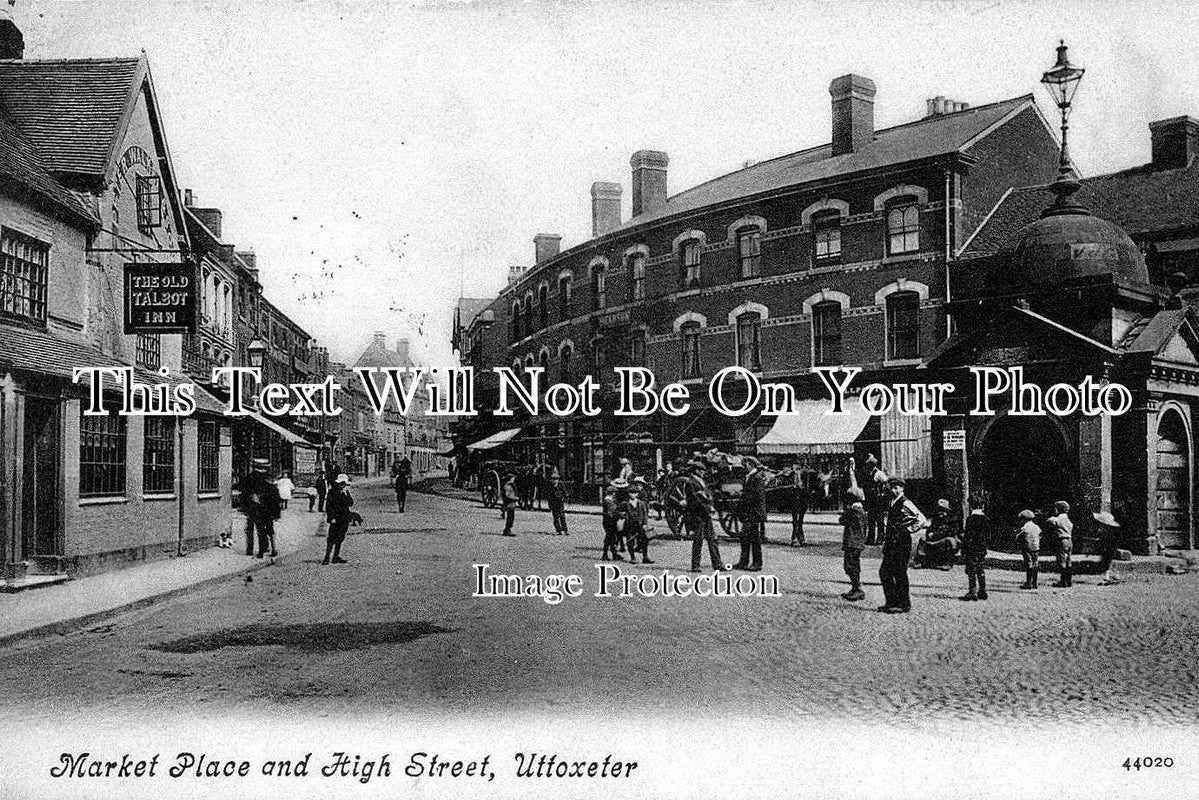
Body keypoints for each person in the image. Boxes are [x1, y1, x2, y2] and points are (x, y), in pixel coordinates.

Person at [879, 476, 927, 613]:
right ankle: (892, 602)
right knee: (885, 572)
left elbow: (922, 519)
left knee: (899, 572)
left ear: (902, 488)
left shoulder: (906, 503)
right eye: (892, 487)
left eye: (896, 488)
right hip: (891, 543)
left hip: (901, 543)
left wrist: (908, 530)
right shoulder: (892, 502)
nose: (893, 490)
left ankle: (904, 604)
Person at [683, 461, 731, 573]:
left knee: (712, 539)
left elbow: (708, 496)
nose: (703, 472)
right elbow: (694, 500)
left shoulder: (701, 481)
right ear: (696, 470)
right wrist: (708, 508)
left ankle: (717, 564)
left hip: (706, 515)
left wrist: (710, 506)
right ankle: (695, 565)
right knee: (698, 540)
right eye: (701, 470)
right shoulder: (690, 483)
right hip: (697, 515)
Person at [239, 458, 281, 559]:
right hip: (265, 509)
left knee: (250, 529)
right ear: (266, 468)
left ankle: (249, 550)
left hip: (252, 508)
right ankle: (263, 551)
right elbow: (275, 498)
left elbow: (243, 494)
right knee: (264, 530)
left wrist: (245, 507)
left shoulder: (248, 478)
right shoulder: (269, 480)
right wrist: (276, 513)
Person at [734, 456, 768, 571]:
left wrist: (742, 497)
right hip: (748, 513)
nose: (745, 466)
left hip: (753, 513)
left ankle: (757, 564)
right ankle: (744, 562)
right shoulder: (750, 477)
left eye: (746, 464)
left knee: (754, 539)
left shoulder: (756, 478)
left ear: (751, 465)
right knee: (745, 538)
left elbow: (756, 497)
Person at [839, 482, 868, 601]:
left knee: (850, 566)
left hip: (851, 543)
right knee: (854, 565)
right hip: (858, 543)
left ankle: (857, 589)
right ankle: (855, 588)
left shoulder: (852, 511)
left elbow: (841, 520)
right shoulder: (861, 511)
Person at [914, 499, 960, 570]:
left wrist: (935, 534)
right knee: (922, 540)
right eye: (939, 510)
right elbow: (930, 529)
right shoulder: (936, 519)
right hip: (935, 540)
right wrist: (929, 533)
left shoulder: (952, 520)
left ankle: (947, 563)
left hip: (945, 540)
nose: (940, 512)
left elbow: (951, 532)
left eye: (943, 510)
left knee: (950, 541)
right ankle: (920, 561)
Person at [960, 501, 991, 601]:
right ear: (982, 507)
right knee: (980, 568)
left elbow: (967, 535)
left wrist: (963, 548)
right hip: (981, 548)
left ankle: (972, 591)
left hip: (971, 548)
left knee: (971, 569)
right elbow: (988, 536)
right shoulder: (986, 519)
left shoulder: (970, 519)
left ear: (971, 507)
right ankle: (982, 591)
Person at [323, 473, 353, 564]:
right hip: (335, 518)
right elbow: (329, 506)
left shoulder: (344, 492)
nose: (343, 486)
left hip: (344, 519)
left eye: (344, 484)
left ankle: (336, 556)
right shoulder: (332, 492)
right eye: (342, 484)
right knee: (331, 538)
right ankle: (327, 557)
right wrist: (331, 518)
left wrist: (347, 493)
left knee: (340, 538)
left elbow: (350, 503)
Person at [862, 454, 889, 546]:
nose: (867, 467)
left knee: (879, 519)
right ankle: (870, 538)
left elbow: (886, 482)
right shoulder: (869, 473)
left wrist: (882, 492)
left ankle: (880, 538)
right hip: (871, 499)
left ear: (872, 465)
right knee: (871, 519)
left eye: (868, 465)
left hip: (878, 499)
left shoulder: (879, 473)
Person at [1047, 500, 1074, 588]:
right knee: (1068, 560)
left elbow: (1051, 521)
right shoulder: (1068, 519)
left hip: (1062, 541)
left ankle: (1063, 582)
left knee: (1061, 561)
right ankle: (1069, 581)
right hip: (1069, 540)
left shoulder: (1059, 518)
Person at [601, 478, 628, 561]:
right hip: (610, 521)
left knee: (610, 538)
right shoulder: (609, 501)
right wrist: (622, 515)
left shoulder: (607, 500)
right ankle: (607, 555)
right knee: (610, 538)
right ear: (612, 493)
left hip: (607, 521)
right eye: (614, 492)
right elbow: (612, 512)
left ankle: (612, 554)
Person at [1093, 510, 1123, 585]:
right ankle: (1112, 576)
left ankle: (1107, 577)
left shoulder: (1107, 530)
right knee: (1107, 561)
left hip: (1109, 547)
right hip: (1108, 547)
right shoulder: (1107, 530)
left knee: (1107, 561)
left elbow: (1107, 540)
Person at [1015, 509, 1041, 589]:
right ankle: (1035, 582)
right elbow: (1040, 534)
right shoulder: (1036, 527)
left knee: (1029, 564)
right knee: (1035, 562)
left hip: (1027, 548)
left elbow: (1019, 537)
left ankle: (1028, 583)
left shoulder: (1025, 527)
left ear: (1024, 519)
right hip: (1036, 547)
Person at [546, 466, 569, 535]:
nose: (555, 481)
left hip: (560, 502)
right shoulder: (549, 486)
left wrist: (566, 496)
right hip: (553, 503)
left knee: (562, 516)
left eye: (556, 479)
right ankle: (558, 530)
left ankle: (565, 530)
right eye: (553, 479)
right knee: (555, 517)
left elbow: (564, 492)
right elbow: (548, 495)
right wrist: (549, 504)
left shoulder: (560, 485)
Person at [501, 470, 519, 536]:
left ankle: (507, 530)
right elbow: (507, 496)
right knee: (510, 518)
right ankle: (507, 530)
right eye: (513, 478)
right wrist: (514, 498)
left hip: (511, 504)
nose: (514, 479)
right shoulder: (507, 486)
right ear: (510, 479)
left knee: (511, 517)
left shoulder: (509, 485)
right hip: (509, 504)